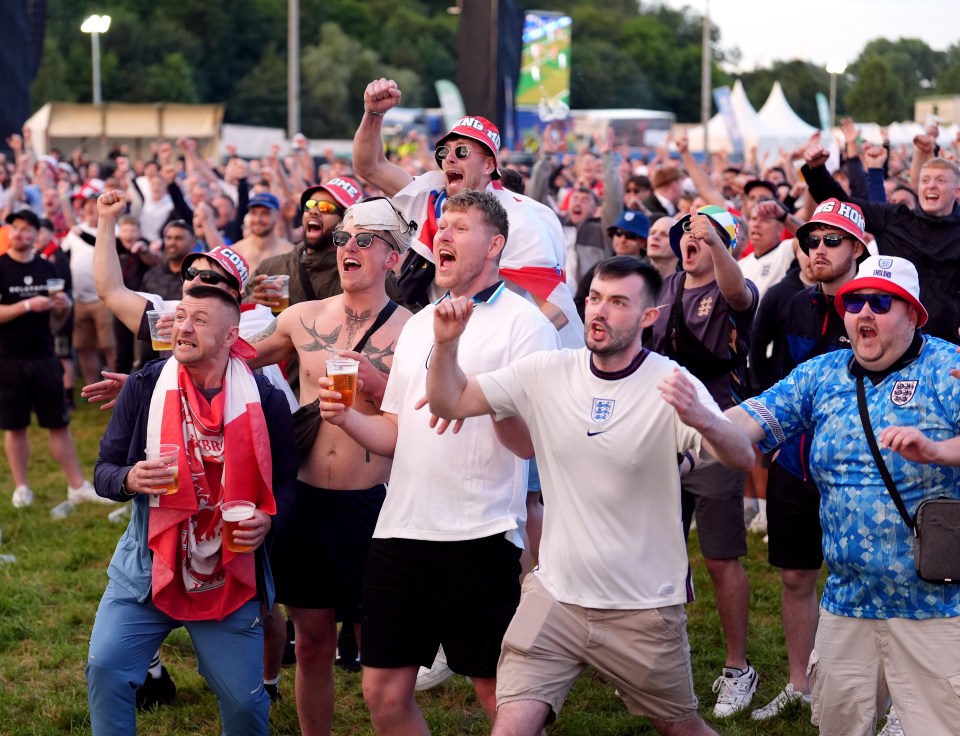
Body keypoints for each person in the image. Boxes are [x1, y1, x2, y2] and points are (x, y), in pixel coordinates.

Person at [424, 255, 755, 736]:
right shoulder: (546, 371)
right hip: (555, 595)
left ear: (648, 316)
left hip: (641, 606)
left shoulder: (672, 383)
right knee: (510, 727)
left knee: (682, 729)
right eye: (595, 298)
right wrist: (446, 344)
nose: (599, 312)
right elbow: (447, 401)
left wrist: (705, 421)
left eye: (618, 302)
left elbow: (742, 457)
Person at [319, 191, 560, 735]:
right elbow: (399, 431)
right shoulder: (419, 325)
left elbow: (529, 444)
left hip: (479, 533)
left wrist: (479, 396)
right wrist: (346, 419)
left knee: (501, 695)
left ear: (495, 244)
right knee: (382, 693)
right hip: (399, 530)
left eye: (459, 227)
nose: (442, 236)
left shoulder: (526, 326)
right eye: (440, 227)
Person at [725, 254, 960, 736]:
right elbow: (750, 421)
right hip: (847, 603)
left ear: (914, 314)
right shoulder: (822, 374)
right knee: (836, 725)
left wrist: (937, 450)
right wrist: (694, 421)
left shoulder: (949, 368)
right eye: (855, 301)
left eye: (882, 301)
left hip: (935, 607)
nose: (865, 312)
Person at [87, 285, 299, 736]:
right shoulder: (146, 385)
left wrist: (271, 518)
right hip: (149, 565)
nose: (182, 327)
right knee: (105, 668)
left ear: (231, 337)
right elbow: (103, 470)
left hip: (229, 569)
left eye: (200, 320)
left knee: (244, 704)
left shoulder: (266, 399)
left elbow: (286, 482)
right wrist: (129, 479)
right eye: (181, 316)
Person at [246, 198, 413, 736]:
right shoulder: (301, 318)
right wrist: (142, 381)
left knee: (378, 648)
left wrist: (378, 384)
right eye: (344, 239)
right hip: (308, 502)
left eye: (365, 240)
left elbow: (429, 418)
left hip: (375, 507)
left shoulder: (415, 331)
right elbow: (228, 358)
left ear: (394, 255)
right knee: (313, 641)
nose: (349, 248)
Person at [747, 199, 867, 721]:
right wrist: (772, 439)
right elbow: (758, 368)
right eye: (811, 241)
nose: (817, 249)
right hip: (795, 463)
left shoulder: (878, 305)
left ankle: (880, 698)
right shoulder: (786, 300)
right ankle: (801, 684)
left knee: (865, 578)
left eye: (831, 241)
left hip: (861, 469)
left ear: (858, 248)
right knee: (796, 577)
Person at [354, 78, 582, 348]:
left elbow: (558, 306)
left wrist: (507, 353)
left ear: (488, 165)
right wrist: (373, 112)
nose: (449, 159)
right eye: (444, 151)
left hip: (505, 352)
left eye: (462, 151)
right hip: (450, 338)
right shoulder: (429, 195)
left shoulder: (516, 217)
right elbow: (369, 166)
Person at [645, 205, 760, 717]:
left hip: (714, 433)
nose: (690, 241)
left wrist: (715, 243)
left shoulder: (734, 286)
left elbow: (737, 293)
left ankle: (738, 668)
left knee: (719, 556)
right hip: (658, 434)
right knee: (657, 552)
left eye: (704, 236)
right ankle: (659, 659)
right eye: (687, 234)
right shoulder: (665, 286)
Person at [802, 139, 960, 344]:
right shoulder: (895, 218)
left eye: (940, 180)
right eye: (925, 180)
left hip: (949, 345)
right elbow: (844, 207)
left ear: (956, 191)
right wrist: (817, 169)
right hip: (892, 340)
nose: (931, 185)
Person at [0, 210, 104, 509]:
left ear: (37, 234)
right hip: (8, 358)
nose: (20, 234)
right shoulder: (1, 266)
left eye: (26, 230)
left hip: (44, 354)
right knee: (15, 426)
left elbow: (58, 314)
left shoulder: (46, 266)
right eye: (15, 229)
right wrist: (29, 304)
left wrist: (62, 305)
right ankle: (21, 488)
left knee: (59, 423)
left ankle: (76, 486)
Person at [230, 192, 294, 273]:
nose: (258, 219)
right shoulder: (235, 254)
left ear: (277, 216)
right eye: (253, 213)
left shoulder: (290, 254)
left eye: (265, 213)